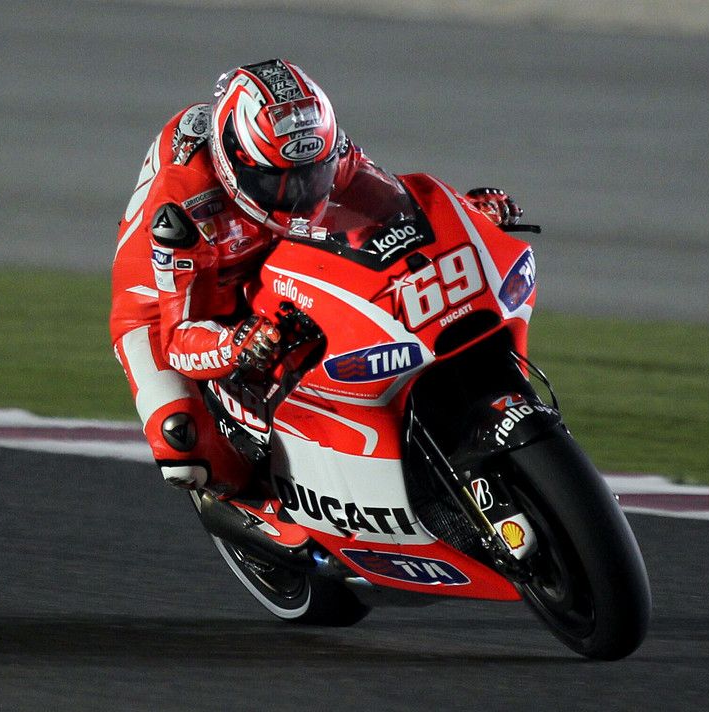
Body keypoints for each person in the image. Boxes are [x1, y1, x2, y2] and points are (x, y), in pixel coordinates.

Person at [109, 59, 522, 503]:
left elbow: (391, 202)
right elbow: (177, 338)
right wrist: (234, 345)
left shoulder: (321, 151)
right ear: (235, 162)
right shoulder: (183, 208)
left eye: (312, 177)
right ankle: (267, 511)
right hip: (165, 303)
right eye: (277, 183)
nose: (300, 196)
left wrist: (466, 213)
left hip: (270, 261)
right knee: (183, 446)